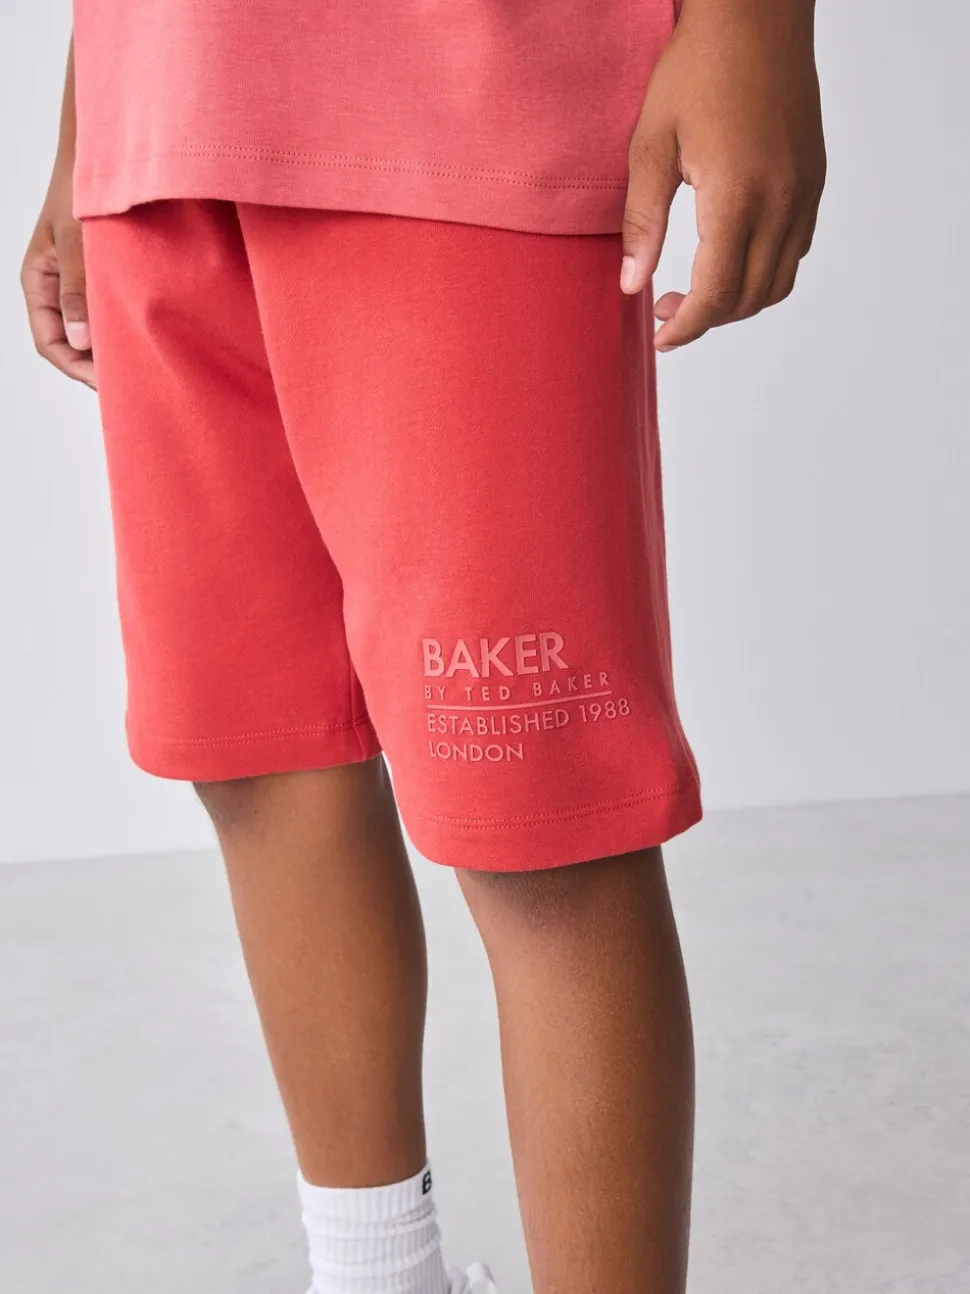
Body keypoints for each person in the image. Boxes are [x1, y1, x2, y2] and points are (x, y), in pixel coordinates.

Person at [20, 2, 825, 1291]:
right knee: (259, 757)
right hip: (159, 120)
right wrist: (88, 120)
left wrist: (756, 27)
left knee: (540, 814)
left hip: (467, 101)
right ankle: (378, 1276)